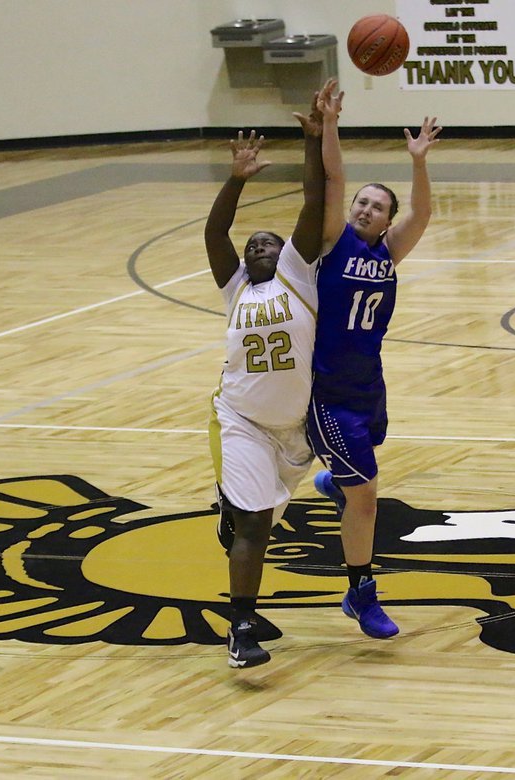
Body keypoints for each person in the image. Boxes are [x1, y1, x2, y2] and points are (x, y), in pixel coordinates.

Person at [308, 80, 441, 639]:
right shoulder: (334, 240)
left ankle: (337, 483)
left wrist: (418, 162)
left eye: (376, 206)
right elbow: (334, 178)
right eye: (362, 201)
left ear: (387, 221)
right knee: (367, 495)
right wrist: (331, 125)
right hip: (327, 392)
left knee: (360, 477)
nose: (365, 208)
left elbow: (425, 211)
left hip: (369, 387)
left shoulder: (389, 252)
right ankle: (361, 593)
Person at [204, 95, 325, 669]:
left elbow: (314, 200)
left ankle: (230, 513)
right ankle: (241, 626)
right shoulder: (236, 290)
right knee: (255, 525)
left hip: (295, 432)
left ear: (287, 255)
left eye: (268, 243)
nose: (257, 246)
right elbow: (215, 230)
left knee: (257, 521)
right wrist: (236, 180)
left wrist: (313, 138)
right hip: (243, 420)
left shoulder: (299, 279)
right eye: (252, 244)